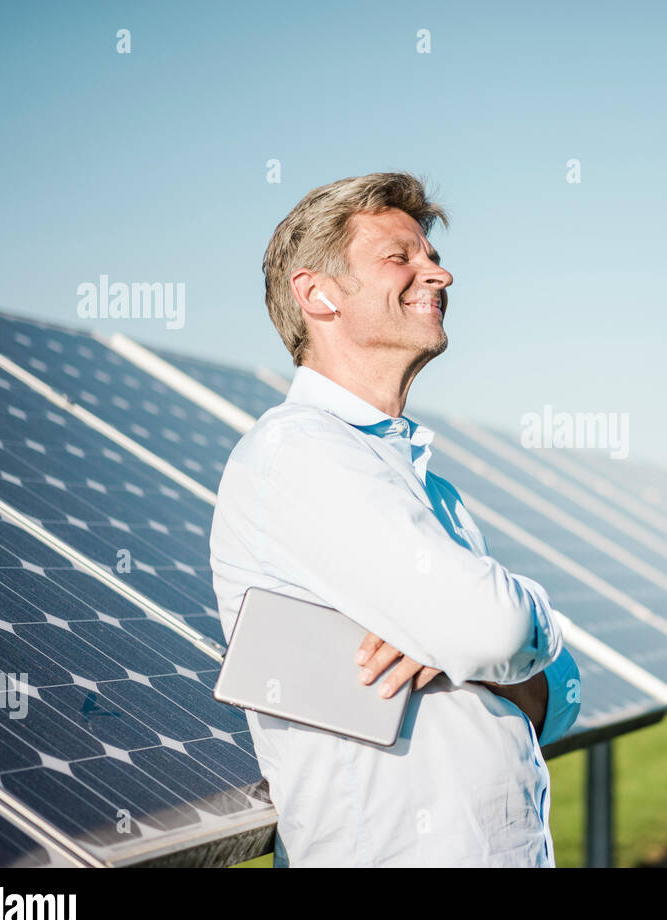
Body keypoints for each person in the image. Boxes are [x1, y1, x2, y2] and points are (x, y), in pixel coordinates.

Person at [209, 171, 580, 866]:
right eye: (400, 257)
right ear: (317, 294)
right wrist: (493, 635)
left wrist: (485, 652)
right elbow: (497, 628)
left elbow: (560, 697)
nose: (437, 273)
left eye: (430, 256)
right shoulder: (299, 451)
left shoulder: (428, 484)